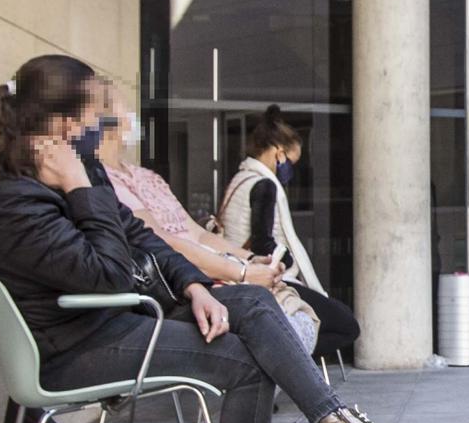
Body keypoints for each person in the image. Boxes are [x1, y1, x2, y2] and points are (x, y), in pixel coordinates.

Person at [0, 55, 428, 423]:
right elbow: (108, 273)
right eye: (92, 114)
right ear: (65, 121)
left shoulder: (70, 168)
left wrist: (195, 286)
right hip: (75, 348)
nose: (99, 124)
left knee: (251, 301)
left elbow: (137, 234)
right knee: (246, 363)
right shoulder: (12, 199)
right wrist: (79, 189)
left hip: (113, 322)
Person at [92, 89, 320, 352]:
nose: (132, 118)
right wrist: (241, 271)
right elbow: (161, 242)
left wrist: (247, 260)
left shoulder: (147, 177)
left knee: (293, 325)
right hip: (185, 284)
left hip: (215, 273)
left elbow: (197, 234)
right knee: (277, 331)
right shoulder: (105, 182)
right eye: (124, 109)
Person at [218, 106, 360, 358]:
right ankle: (282, 360)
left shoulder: (240, 179)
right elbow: (263, 243)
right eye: (291, 163)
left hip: (241, 273)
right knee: (346, 326)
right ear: (278, 153)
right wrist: (288, 261)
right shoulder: (264, 186)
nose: (290, 170)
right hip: (265, 277)